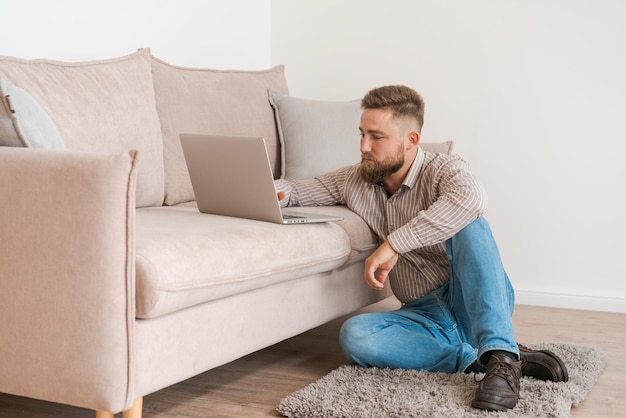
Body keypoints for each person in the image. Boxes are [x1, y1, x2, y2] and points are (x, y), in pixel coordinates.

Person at [274, 85, 568, 411]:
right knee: (356, 336)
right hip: (422, 313)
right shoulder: (354, 179)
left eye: (376, 137)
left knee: (470, 223)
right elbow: (301, 191)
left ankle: (498, 349)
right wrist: (276, 191)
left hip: (469, 299)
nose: (363, 147)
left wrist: (395, 244)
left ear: (410, 140)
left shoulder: (445, 169)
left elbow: (472, 200)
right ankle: (484, 361)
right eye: (361, 134)